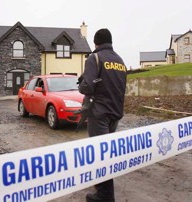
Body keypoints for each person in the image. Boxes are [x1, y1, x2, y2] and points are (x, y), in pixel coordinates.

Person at [79, 28, 127, 202]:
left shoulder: (95, 58)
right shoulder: (120, 61)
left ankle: (104, 195)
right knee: (107, 153)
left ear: (96, 42)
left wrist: (82, 83)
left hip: (99, 114)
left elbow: (88, 87)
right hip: (115, 113)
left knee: (100, 155)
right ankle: (105, 193)